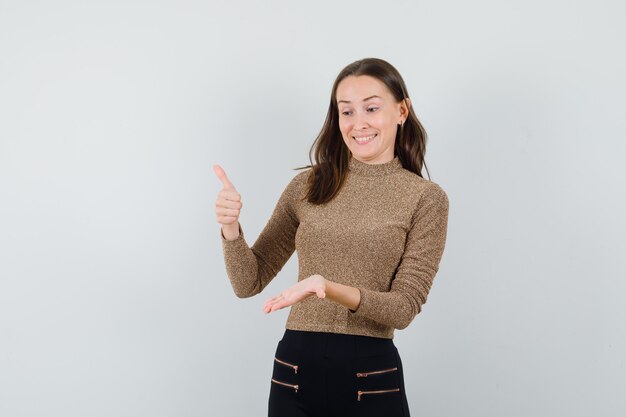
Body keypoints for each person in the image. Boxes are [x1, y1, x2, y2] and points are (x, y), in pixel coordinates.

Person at [213, 57, 449, 417]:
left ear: (401, 111)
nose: (359, 124)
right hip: (294, 372)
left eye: (371, 108)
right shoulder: (307, 186)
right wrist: (230, 229)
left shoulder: (425, 198)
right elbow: (249, 281)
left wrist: (328, 287)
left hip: (370, 377)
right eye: (347, 112)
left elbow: (403, 309)